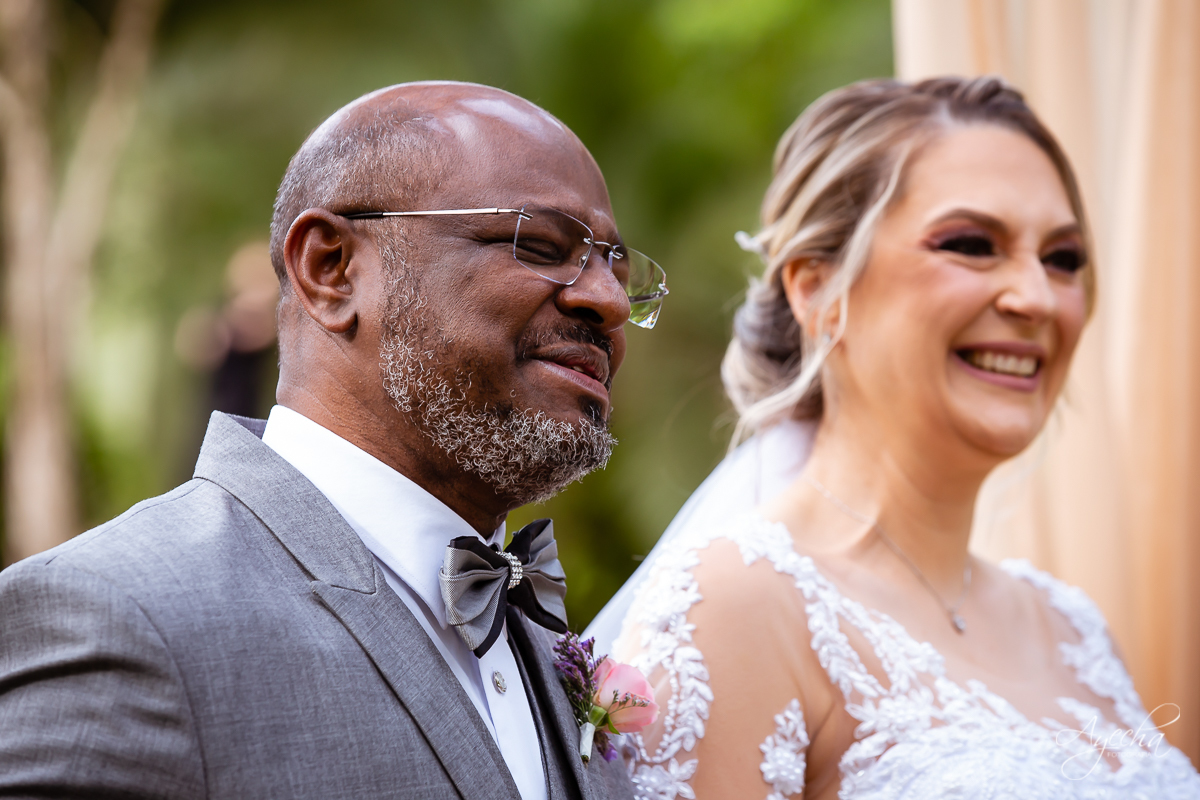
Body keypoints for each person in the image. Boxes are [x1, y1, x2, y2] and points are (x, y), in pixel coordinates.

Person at [0, 81, 668, 799]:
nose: (605, 302)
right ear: (331, 269)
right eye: (540, 244)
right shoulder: (119, 615)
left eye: (616, 271)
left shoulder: (548, 645)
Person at [596, 77, 1200, 798]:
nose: (1036, 298)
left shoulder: (1074, 632)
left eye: (1063, 258)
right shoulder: (737, 608)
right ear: (817, 288)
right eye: (973, 245)